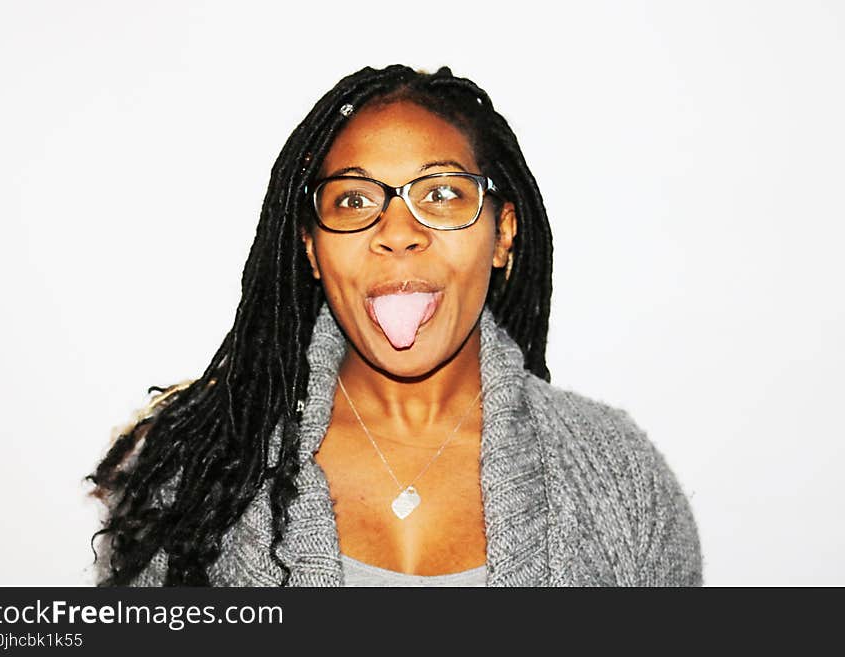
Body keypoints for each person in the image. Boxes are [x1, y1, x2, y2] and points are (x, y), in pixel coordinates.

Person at [87, 64, 703, 587]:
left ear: (503, 234)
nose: (399, 231)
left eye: (440, 194)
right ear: (309, 246)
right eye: (354, 200)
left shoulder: (619, 477)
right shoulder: (195, 475)